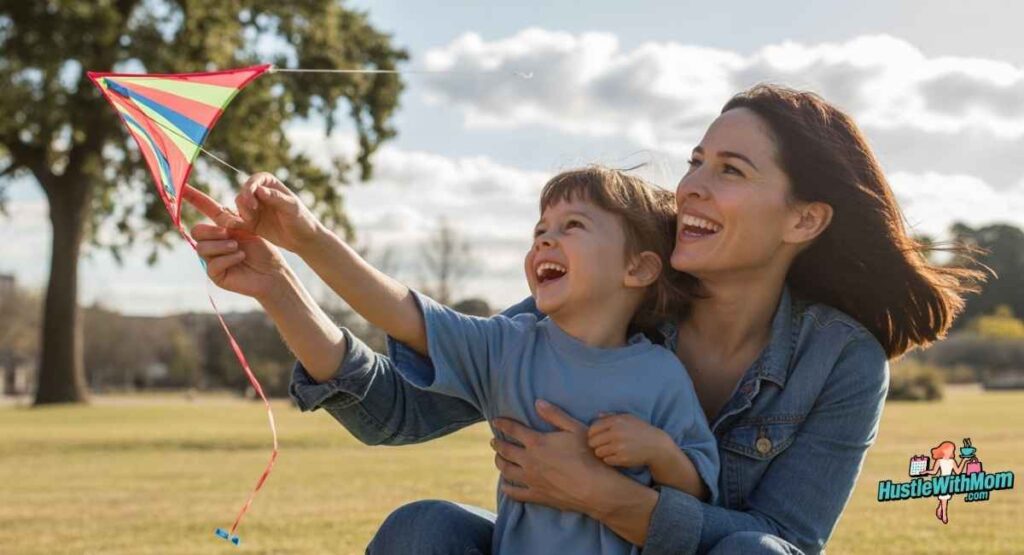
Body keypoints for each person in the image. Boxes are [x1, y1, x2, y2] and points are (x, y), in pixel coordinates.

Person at [188, 84, 982, 554]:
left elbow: (779, 539)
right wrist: (281, 285)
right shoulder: (607, 296)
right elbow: (396, 410)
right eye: (696, 160)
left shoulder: (840, 361)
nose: (693, 184)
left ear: (804, 220)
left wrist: (604, 495)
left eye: (729, 170)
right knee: (425, 528)